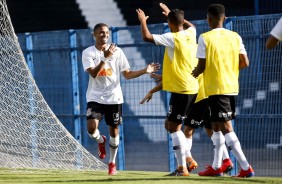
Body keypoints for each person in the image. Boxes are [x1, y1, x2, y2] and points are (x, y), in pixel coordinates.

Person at [82, 23, 160, 175]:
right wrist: (105, 58)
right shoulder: (88, 52)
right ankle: (100, 141)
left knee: (114, 131)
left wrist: (145, 70)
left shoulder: (117, 51)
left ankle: (112, 163)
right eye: (101, 33)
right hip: (95, 97)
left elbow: (127, 74)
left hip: (114, 98)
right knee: (91, 129)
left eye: (106, 33)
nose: (104, 35)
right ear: (94, 35)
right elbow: (93, 73)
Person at [192, 4, 254, 177]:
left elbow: (201, 66)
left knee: (226, 127)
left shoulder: (205, 37)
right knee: (216, 125)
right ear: (224, 18)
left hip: (216, 87)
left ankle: (245, 167)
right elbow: (245, 62)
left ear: (208, 19)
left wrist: (195, 73)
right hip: (232, 85)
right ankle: (217, 166)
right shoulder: (235, 36)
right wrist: (228, 70)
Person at [137, 3, 199, 176]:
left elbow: (147, 37)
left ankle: (182, 168)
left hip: (182, 89)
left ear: (170, 23)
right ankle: (187, 158)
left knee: (174, 128)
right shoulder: (190, 34)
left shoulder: (173, 38)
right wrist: (174, 17)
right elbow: (192, 26)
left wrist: (143, 21)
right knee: (170, 124)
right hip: (192, 87)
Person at [140, 73, 234, 174]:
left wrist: (155, 88)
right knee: (211, 130)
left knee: (184, 129)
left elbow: (180, 76)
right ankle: (225, 161)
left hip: (198, 96)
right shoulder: (198, 60)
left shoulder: (190, 60)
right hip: (208, 94)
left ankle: (187, 161)